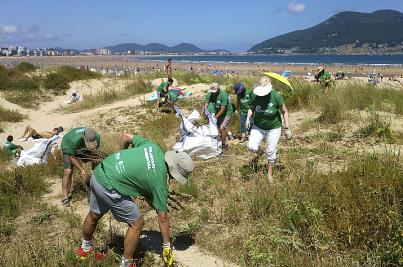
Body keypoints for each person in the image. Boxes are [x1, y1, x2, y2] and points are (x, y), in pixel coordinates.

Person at [76, 133, 194, 267]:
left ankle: (84, 250)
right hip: (109, 186)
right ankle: (127, 263)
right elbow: (163, 218)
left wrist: (120, 161)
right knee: (137, 223)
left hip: (99, 173)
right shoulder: (159, 181)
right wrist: (166, 247)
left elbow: (125, 136)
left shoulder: (153, 147)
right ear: (175, 172)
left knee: (94, 214)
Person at [246, 75, 292, 181]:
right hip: (258, 126)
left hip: (273, 127)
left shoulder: (276, 96)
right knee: (251, 147)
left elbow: (284, 111)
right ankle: (260, 151)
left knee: (271, 151)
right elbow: (251, 107)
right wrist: (248, 118)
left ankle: (269, 174)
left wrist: (287, 128)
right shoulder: (254, 95)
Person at [60, 127, 101, 207]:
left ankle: (94, 190)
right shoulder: (74, 141)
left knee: (96, 164)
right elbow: (71, 157)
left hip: (81, 147)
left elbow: (94, 153)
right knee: (68, 171)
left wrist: (93, 170)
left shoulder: (97, 137)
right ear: (84, 137)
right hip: (68, 146)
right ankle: (65, 197)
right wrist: (81, 169)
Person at [204, 83, 233, 148]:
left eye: (215, 92)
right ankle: (227, 135)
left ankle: (224, 145)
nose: (213, 93)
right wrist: (204, 112)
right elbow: (206, 105)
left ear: (219, 89)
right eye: (212, 92)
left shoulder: (223, 95)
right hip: (218, 111)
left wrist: (215, 118)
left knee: (222, 127)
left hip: (227, 112)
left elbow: (223, 110)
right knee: (217, 127)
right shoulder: (210, 94)